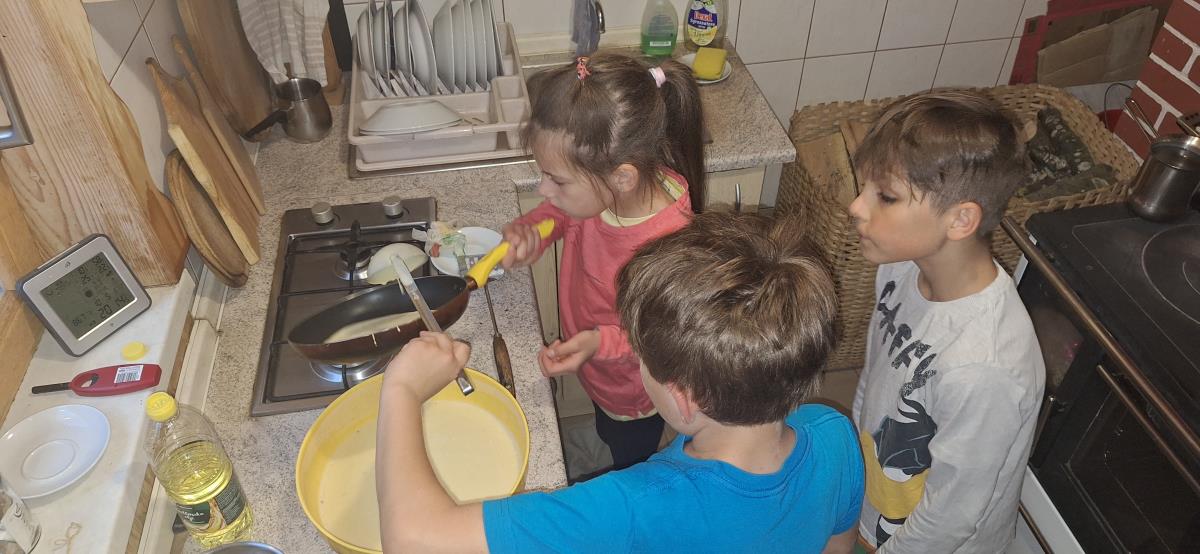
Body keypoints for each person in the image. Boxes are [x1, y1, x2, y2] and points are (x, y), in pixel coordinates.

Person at [376, 212, 864, 553]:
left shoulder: (632, 508)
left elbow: (412, 540)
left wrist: (401, 388)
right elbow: (836, 548)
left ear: (683, 397)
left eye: (640, 357)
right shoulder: (834, 434)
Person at [847, 91, 1047, 553]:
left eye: (886, 196)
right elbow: (876, 375)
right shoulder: (901, 267)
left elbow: (951, 517)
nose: (856, 207)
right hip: (880, 505)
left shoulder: (984, 367)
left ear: (960, 220)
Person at [499, 53, 707, 470]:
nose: (544, 190)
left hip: (635, 393)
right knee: (608, 430)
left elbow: (657, 336)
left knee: (632, 459)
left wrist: (599, 343)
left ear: (622, 177)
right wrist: (533, 230)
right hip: (598, 369)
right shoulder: (605, 191)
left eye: (556, 180)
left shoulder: (668, 245)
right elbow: (562, 213)